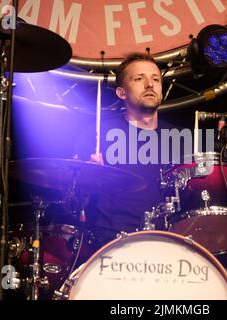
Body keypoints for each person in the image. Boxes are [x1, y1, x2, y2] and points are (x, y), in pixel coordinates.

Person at [75, 52, 182, 246]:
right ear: (121, 93)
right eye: (139, 79)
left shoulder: (180, 139)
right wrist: (87, 177)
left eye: (156, 79)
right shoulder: (99, 133)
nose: (150, 85)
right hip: (110, 244)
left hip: (169, 244)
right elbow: (70, 198)